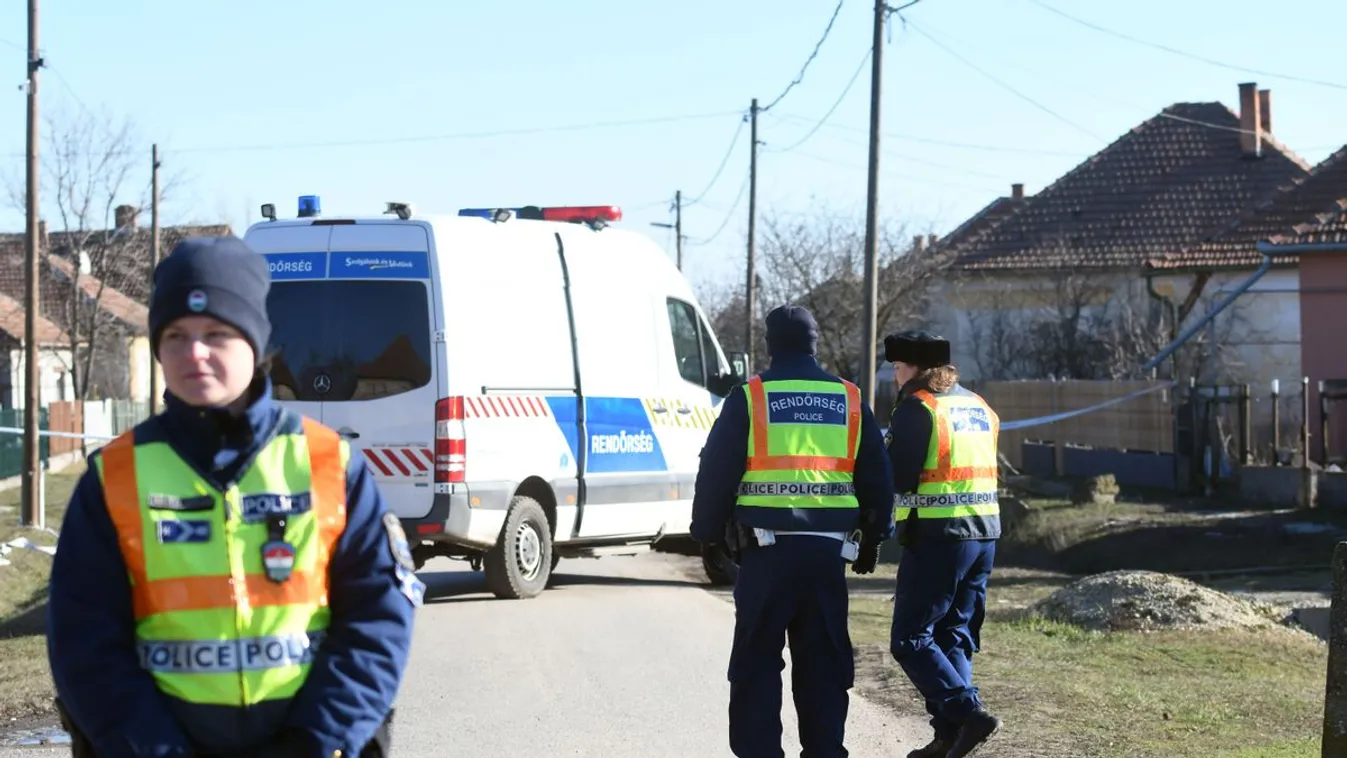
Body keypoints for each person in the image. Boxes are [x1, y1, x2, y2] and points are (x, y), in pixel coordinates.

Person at [46, 236, 423, 758]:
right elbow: (84, 643)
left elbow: (377, 622)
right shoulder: (114, 479)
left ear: (257, 343)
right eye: (175, 335)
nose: (194, 353)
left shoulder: (329, 465)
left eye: (217, 334)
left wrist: (314, 742)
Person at [691, 304, 895, 758]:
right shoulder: (850, 398)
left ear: (769, 344)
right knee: (823, 663)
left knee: (756, 664)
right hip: (827, 557)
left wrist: (707, 531)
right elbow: (878, 477)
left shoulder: (751, 397)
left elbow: (717, 471)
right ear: (814, 344)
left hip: (765, 555)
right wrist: (875, 537)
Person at [883, 330, 1002, 758]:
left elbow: (897, 477)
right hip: (984, 534)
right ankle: (949, 737)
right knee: (953, 636)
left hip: (940, 537)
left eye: (896, 367)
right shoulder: (978, 405)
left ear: (915, 368)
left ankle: (970, 716)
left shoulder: (919, 408)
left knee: (910, 639)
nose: (894, 376)